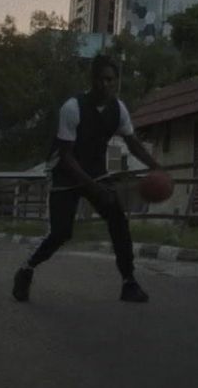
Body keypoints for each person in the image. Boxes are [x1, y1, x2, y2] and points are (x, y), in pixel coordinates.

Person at [14, 54, 162, 304]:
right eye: (102, 79)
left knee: (118, 219)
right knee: (61, 233)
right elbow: (67, 156)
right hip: (66, 173)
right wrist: (94, 187)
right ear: (92, 80)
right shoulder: (72, 107)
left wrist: (157, 168)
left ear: (116, 82)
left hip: (95, 172)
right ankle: (26, 269)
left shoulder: (118, 109)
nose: (106, 84)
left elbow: (133, 144)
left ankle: (129, 282)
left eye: (111, 80)